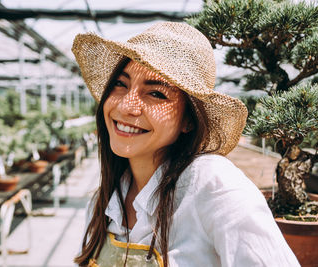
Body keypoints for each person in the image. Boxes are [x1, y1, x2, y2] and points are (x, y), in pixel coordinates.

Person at [71, 22, 299, 267]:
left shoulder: (211, 186)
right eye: (120, 83)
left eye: (156, 93)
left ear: (188, 120)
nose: (127, 106)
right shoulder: (103, 203)